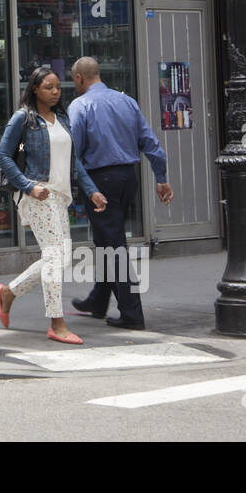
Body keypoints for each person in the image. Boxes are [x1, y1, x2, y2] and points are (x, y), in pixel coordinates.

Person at [0, 67, 107, 344]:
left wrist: (92, 191)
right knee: (56, 256)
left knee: (60, 257)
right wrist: (29, 186)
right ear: (35, 89)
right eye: (48, 87)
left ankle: (8, 293)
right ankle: (57, 323)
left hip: (59, 196)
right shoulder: (23, 118)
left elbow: (73, 161)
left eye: (57, 87)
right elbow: (3, 156)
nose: (55, 92)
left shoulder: (62, 119)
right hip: (36, 194)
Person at [67, 56, 172, 331]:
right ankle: (98, 300)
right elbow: (150, 142)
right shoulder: (127, 102)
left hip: (100, 179)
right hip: (128, 177)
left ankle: (131, 312)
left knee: (113, 245)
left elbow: (72, 152)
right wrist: (161, 178)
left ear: (79, 77)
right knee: (107, 238)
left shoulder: (81, 105)